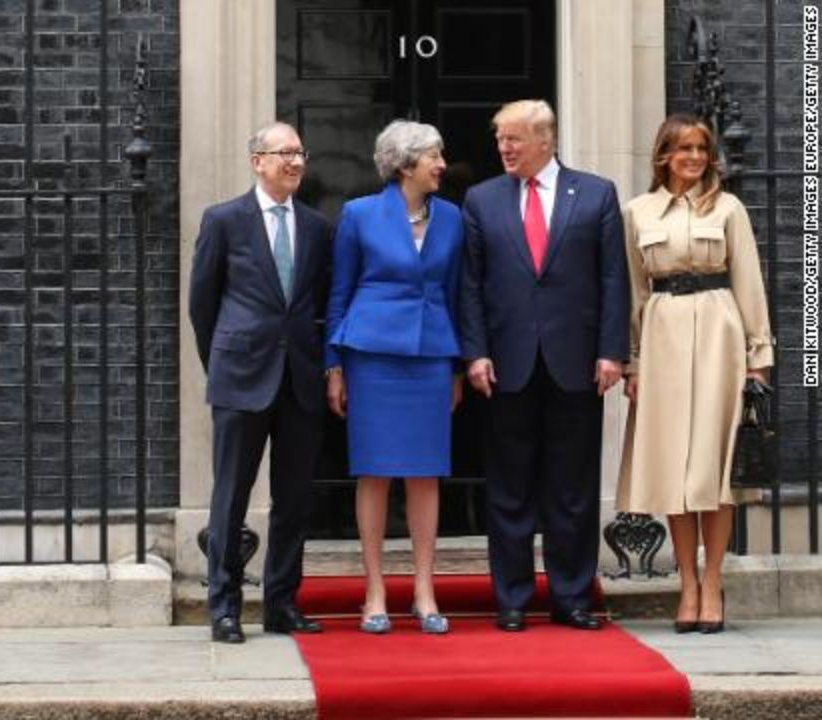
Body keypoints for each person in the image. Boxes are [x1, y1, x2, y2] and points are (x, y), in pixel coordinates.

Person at [458, 99, 630, 632]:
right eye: (500, 140)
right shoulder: (481, 200)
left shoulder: (596, 193)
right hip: (505, 364)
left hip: (576, 363)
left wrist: (612, 351)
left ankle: (572, 597)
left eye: (513, 139)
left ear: (546, 140)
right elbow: (469, 285)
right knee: (509, 488)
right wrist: (475, 352)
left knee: (572, 488)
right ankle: (511, 598)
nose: (504, 148)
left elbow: (612, 279)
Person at [616, 114, 773, 635]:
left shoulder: (728, 208)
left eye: (701, 148)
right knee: (676, 475)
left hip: (719, 333)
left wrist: (758, 358)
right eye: (683, 148)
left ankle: (711, 582)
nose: (694, 157)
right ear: (663, 154)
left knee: (713, 469)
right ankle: (685, 584)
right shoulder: (637, 212)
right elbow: (635, 293)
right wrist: (632, 361)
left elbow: (749, 281)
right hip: (662, 339)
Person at [189, 121, 332, 644]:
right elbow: (202, 304)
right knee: (231, 496)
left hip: (299, 379)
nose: (294, 162)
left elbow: (319, 305)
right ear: (257, 161)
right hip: (240, 377)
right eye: (283, 153)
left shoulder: (317, 227)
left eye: (299, 152)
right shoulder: (224, 220)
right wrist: (222, 362)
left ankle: (281, 604)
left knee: (294, 498)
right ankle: (224, 605)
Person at [324, 120, 463, 635]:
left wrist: (455, 363)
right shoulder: (359, 215)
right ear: (405, 164)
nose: (442, 164)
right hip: (372, 354)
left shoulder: (452, 218)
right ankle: (375, 589)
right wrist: (333, 364)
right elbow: (339, 291)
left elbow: (456, 292)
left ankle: (425, 589)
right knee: (375, 471)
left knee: (427, 472)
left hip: (430, 354)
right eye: (434, 156)